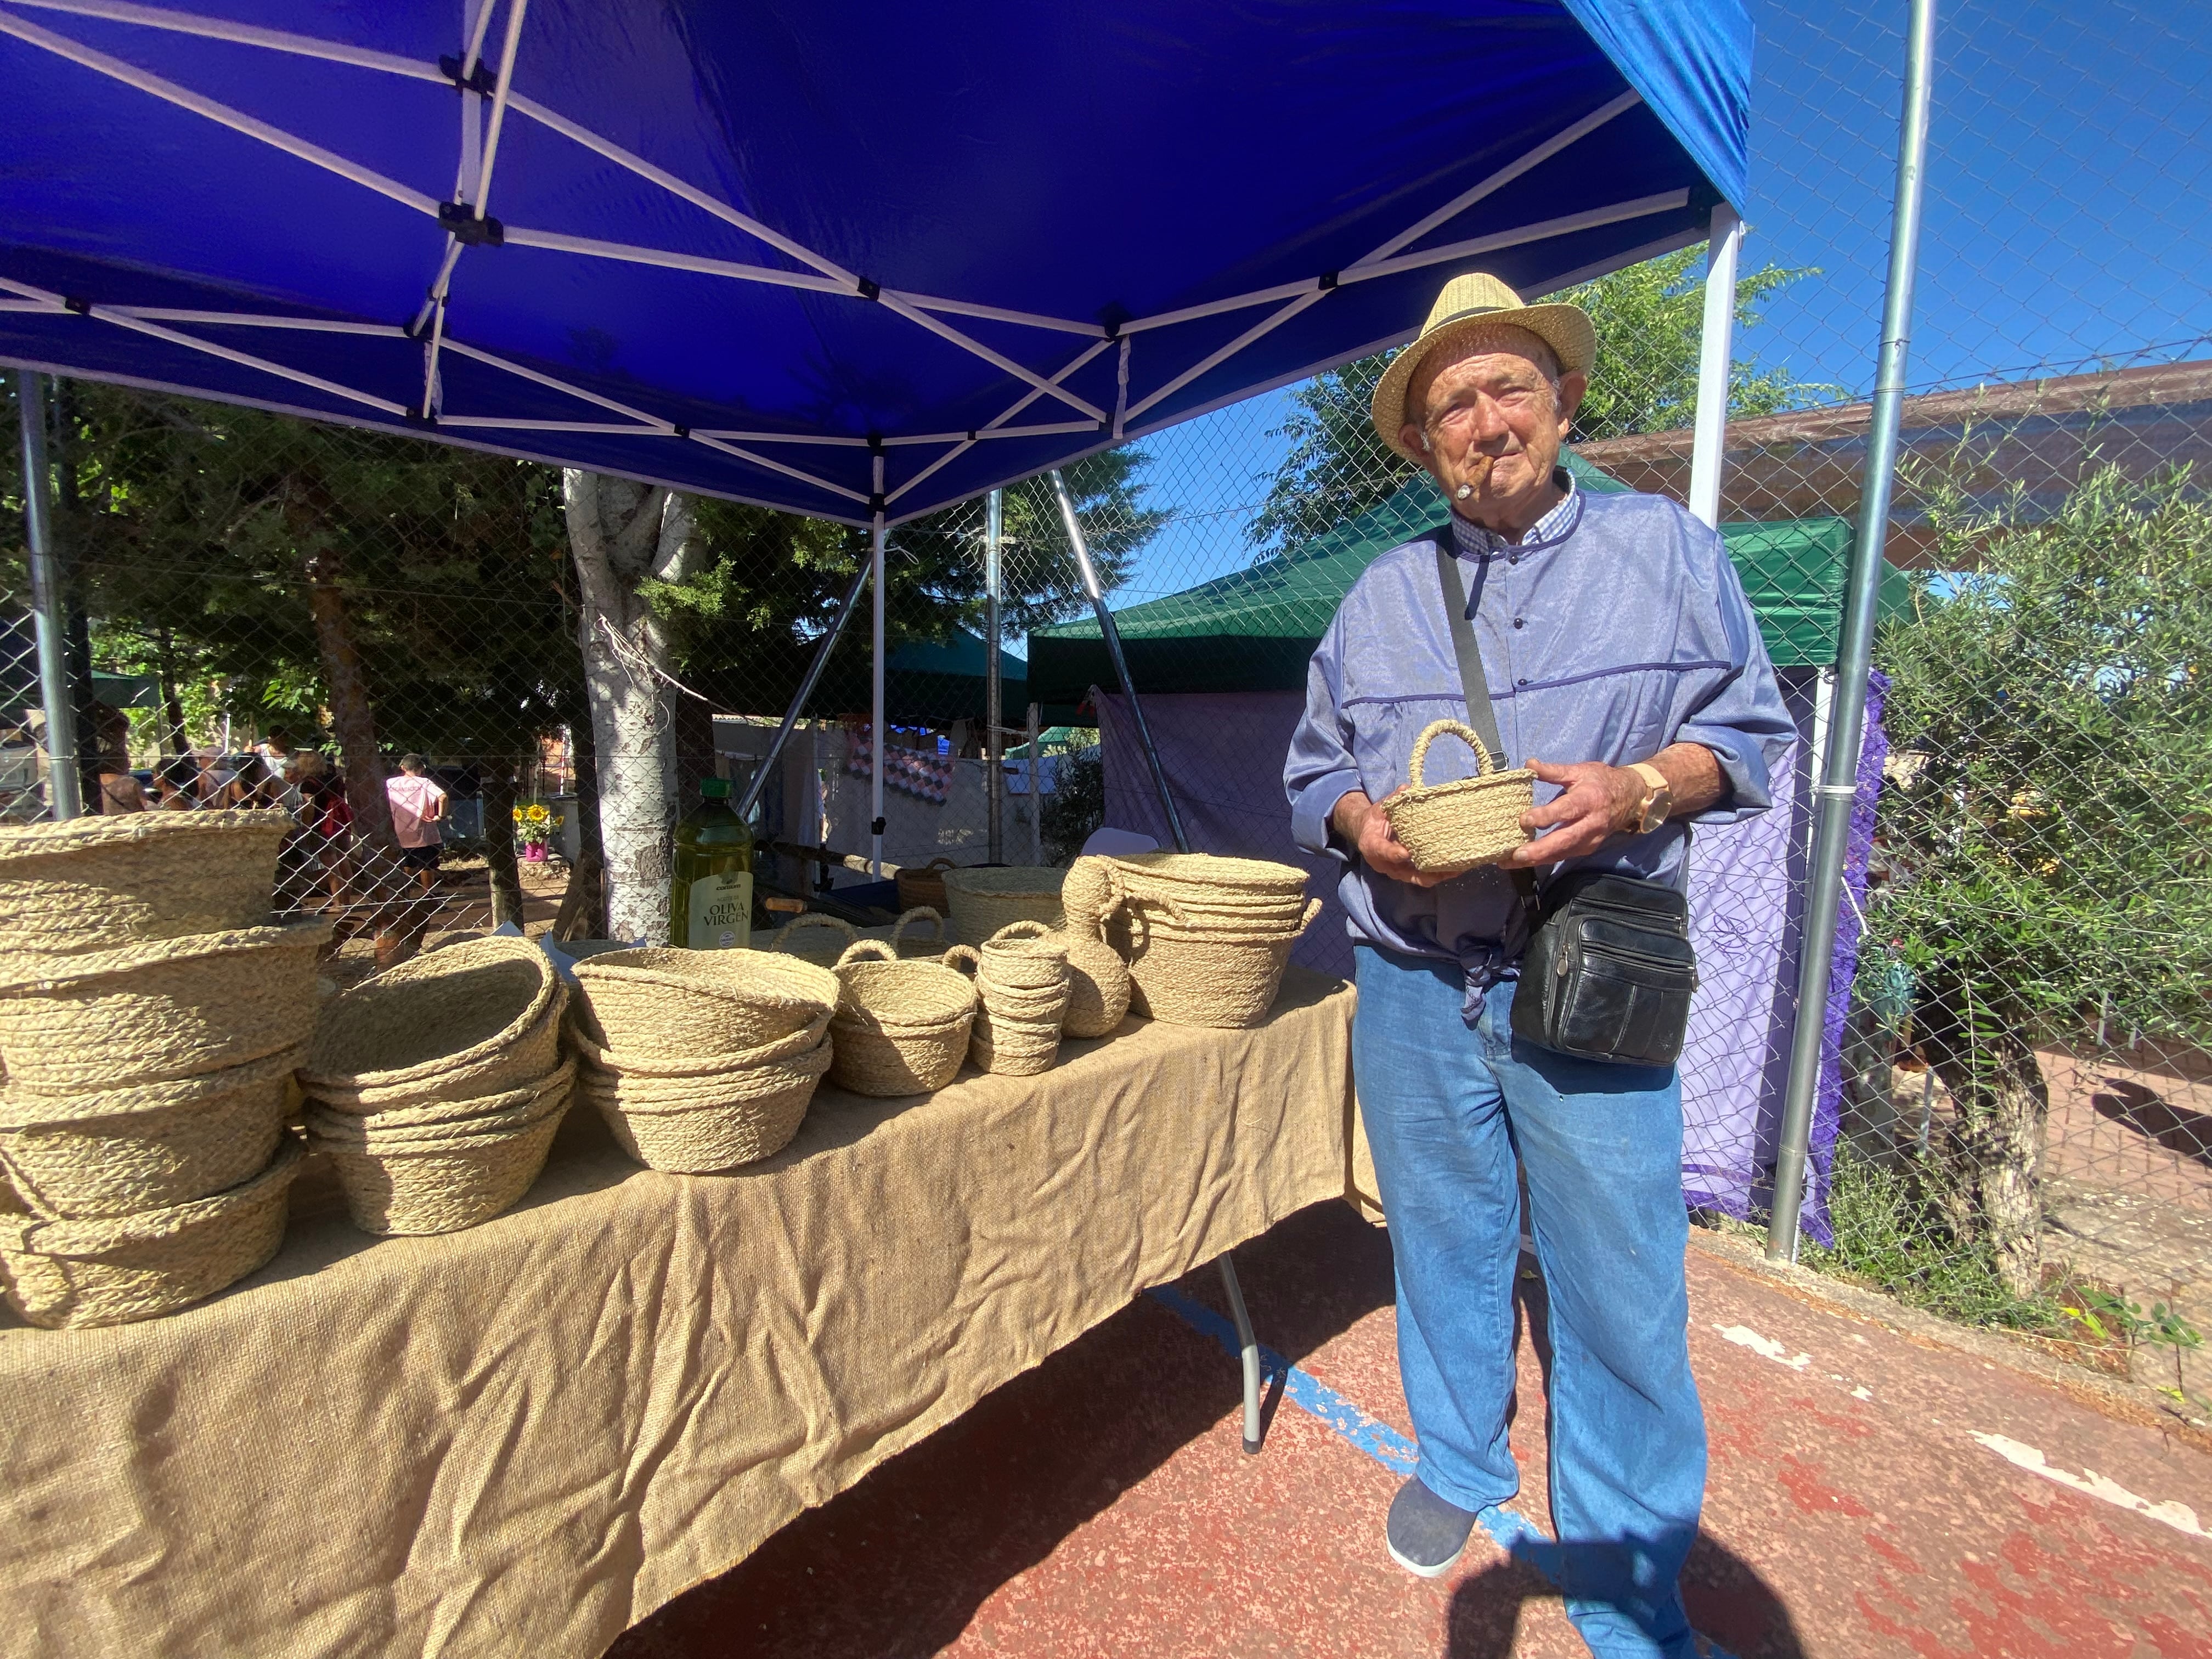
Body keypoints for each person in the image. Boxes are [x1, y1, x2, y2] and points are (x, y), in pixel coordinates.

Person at [1284, 274, 1792, 1657]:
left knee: (1619, 1274)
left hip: (1593, 973)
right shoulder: (1383, 596)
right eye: (1455, 402)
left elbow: (1748, 734)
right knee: (1443, 1239)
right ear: (1424, 444)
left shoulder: (1671, 555)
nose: (1487, 418)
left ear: (1565, 405)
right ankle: (1458, 1462)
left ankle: (1626, 1566)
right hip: (1411, 980)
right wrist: (1362, 825)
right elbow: (1315, 765)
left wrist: (1638, 788)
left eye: (1511, 387)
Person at [383, 753, 448, 891]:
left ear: (403, 768)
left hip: (399, 831)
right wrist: (440, 816)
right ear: (421, 768)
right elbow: (443, 796)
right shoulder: (424, 783)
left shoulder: (390, 784)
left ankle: (404, 893)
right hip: (424, 831)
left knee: (407, 863)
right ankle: (428, 894)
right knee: (427, 864)